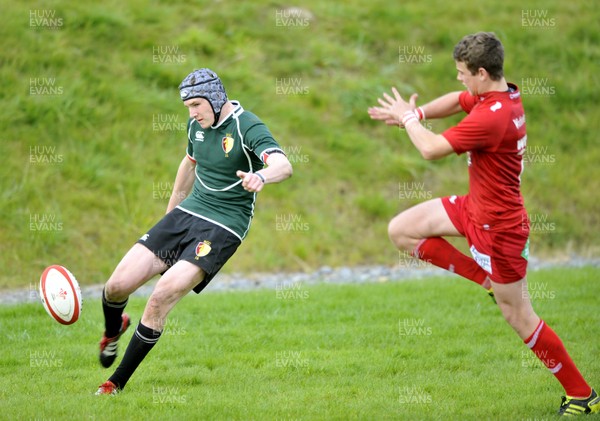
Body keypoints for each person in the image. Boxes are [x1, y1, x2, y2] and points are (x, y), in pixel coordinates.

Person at [368, 32, 598, 416]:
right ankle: (486, 280)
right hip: (475, 209)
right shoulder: (500, 92)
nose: (459, 79)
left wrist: (408, 119)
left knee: (519, 316)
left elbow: (429, 149)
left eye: (462, 72)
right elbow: (458, 101)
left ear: (480, 72)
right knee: (401, 230)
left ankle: (582, 394)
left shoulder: (494, 118)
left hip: (502, 231)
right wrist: (419, 113)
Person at [95, 68, 293, 395]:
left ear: (216, 99)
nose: (192, 112)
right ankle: (113, 331)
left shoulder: (247, 126)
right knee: (116, 286)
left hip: (224, 225)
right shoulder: (196, 125)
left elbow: (283, 165)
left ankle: (115, 383)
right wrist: (170, 212)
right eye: (188, 106)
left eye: (197, 104)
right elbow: (189, 164)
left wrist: (262, 177)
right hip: (187, 213)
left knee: (160, 298)